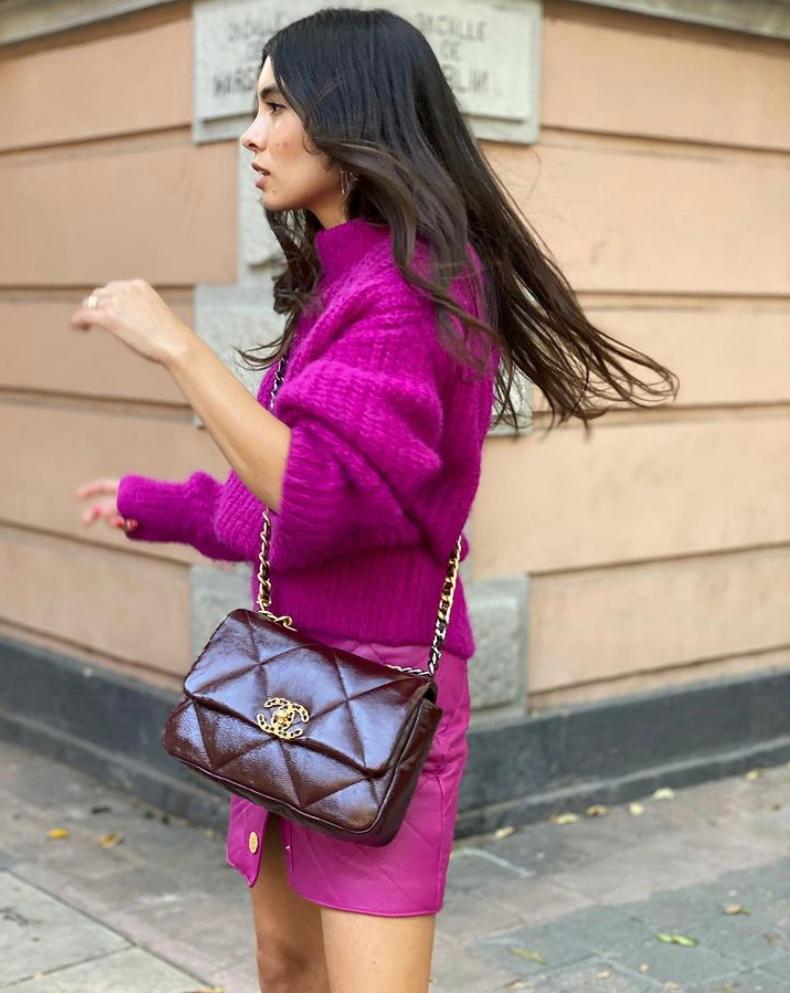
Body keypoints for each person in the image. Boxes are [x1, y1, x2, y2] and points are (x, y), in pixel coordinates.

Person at [71, 8, 678, 992]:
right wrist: (160, 503)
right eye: (253, 104)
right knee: (283, 965)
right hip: (289, 679)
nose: (252, 134)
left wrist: (178, 349)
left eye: (276, 104)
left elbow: (309, 492)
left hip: (379, 697)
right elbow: (286, 506)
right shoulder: (344, 280)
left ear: (350, 119)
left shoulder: (414, 290)